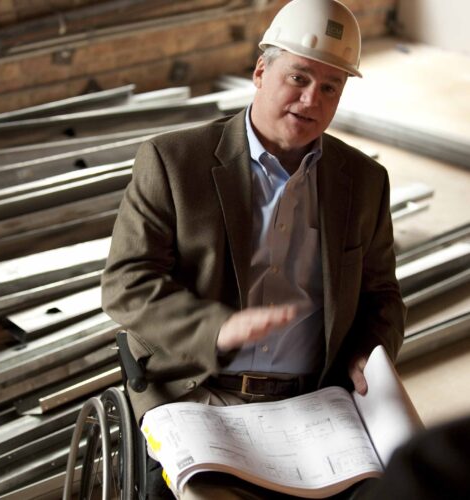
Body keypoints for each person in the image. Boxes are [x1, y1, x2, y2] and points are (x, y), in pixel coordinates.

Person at [102, 0, 406, 498]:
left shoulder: (364, 182)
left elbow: (383, 295)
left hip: (316, 401)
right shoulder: (174, 162)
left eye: (331, 87)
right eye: (299, 78)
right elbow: (125, 285)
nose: (312, 100)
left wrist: (368, 353)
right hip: (204, 393)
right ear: (261, 72)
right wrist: (218, 327)